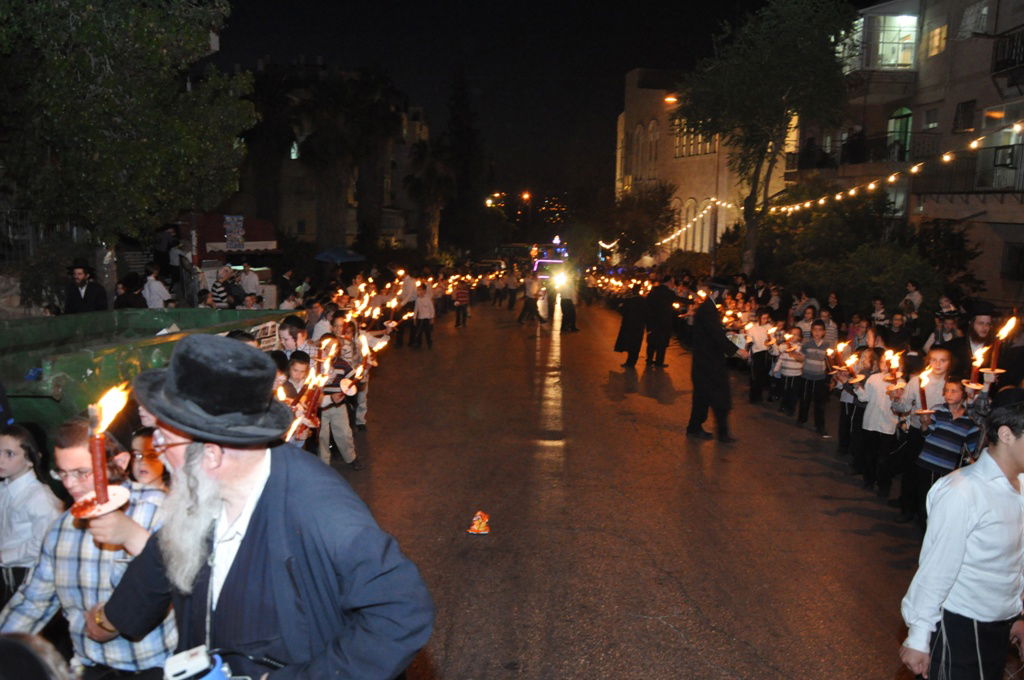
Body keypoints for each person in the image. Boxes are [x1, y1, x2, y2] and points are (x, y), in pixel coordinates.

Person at [87, 334, 434, 679]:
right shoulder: (208, 488)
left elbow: (402, 612)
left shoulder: (321, 511)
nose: (157, 450)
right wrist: (111, 617)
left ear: (210, 453)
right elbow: (172, 547)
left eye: (165, 439)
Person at [0, 418, 175, 678]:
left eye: (82, 473)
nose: (70, 484)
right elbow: (32, 604)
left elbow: (186, 584)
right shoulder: (61, 529)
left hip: (153, 669)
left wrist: (133, 538)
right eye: (62, 473)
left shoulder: (159, 510)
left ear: (120, 462)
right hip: (90, 669)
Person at [899, 400, 1024, 680]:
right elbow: (937, 568)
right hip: (961, 627)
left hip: (1000, 628)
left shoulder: (1022, 487)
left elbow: (1016, 560)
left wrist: (1017, 614)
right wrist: (919, 638)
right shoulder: (962, 492)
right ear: (1006, 435)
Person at [0, 425, 63, 609]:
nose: (0, 459)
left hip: (25, 577)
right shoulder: (5, 488)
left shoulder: (39, 498)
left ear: (30, 460)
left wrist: (4, 556)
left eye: (9, 454)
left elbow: (44, 545)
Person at [686, 295, 749, 442]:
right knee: (717, 396)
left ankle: (697, 428)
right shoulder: (708, 309)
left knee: (703, 397)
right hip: (709, 363)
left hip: (706, 362)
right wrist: (736, 351)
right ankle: (720, 432)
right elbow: (715, 334)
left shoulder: (707, 308)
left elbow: (713, 333)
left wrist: (727, 333)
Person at [794, 320, 832, 438]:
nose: (817, 332)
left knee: (820, 403)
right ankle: (802, 419)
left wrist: (832, 378)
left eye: (820, 330)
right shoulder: (807, 345)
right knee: (805, 399)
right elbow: (801, 358)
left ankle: (820, 425)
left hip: (820, 378)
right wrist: (794, 354)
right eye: (815, 329)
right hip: (807, 376)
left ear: (824, 332)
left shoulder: (827, 346)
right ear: (811, 331)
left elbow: (830, 363)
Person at [644, 277, 676, 367]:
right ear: (669, 282)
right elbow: (678, 299)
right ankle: (659, 362)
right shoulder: (669, 293)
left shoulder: (653, 291)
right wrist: (693, 301)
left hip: (652, 321)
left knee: (651, 341)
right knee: (662, 343)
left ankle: (649, 360)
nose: (674, 285)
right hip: (664, 322)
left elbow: (647, 304)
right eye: (673, 283)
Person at [613, 290, 646, 369]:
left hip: (628, 325)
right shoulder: (644, 302)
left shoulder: (628, 301)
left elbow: (621, 310)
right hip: (639, 326)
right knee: (635, 345)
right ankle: (632, 362)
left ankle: (629, 362)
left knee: (629, 343)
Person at [128, 428, 168, 493]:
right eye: (136, 455)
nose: (143, 461)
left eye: (152, 456)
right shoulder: (121, 494)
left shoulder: (175, 500)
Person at [411, 284, 435, 349]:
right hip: (420, 318)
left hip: (427, 318)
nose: (419, 291)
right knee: (419, 331)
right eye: (418, 290)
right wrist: (414, 318)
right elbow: (416, 309)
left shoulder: (428, 299)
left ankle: (429, 342)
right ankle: (418, 343)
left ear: (424, 291)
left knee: (427, 332)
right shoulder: (418, 300)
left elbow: (431, 309)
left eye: (420, 290)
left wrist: (432, 318)